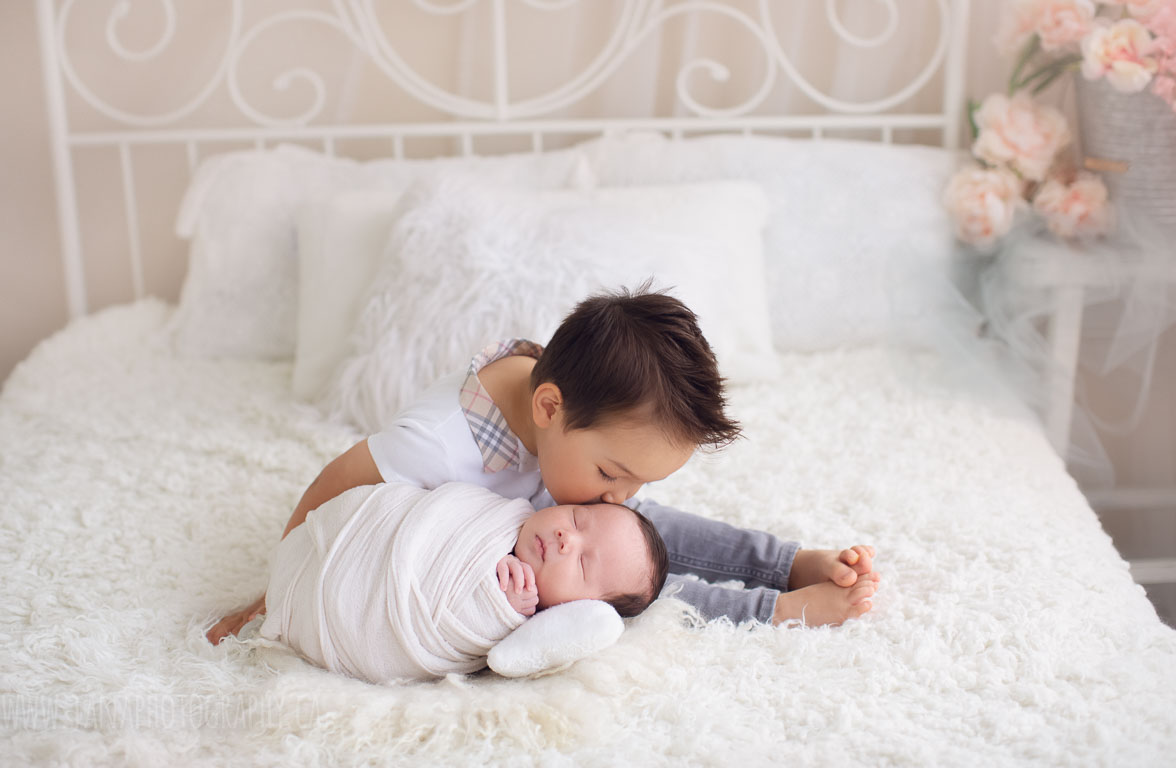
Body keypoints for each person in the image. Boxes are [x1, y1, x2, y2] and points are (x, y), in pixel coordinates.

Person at [208, 285, 878, 645]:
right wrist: (278, 588)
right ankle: (776, 613)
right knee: (618, 591)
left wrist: (616, 489)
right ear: (549, 408)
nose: (623, 494)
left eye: (637, 479)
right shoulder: (436, 444)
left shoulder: (568, 413)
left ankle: (782, 563)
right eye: (615, 473)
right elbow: (336, 483)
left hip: (540, 515)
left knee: (640, 535)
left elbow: (628, 502)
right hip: (485, 553)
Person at [258, 481, 667, 684]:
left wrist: (499, 610)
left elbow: (469, 643)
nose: (566, 539)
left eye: (581, 563)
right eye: (578, 519)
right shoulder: (502, 511)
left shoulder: (518, 612)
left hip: (352, 614)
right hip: (353, 532)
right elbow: (432, 506)